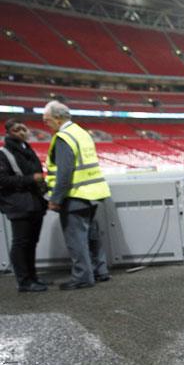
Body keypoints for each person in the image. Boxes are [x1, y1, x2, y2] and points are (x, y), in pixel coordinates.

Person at [42, 101, 112, 290]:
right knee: (91, 236)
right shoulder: (81, 133)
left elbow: (64, 173)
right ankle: (100, 271)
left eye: (47, 120)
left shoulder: (64, 137)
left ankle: (82, 277)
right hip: (91, 193)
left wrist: (55, 199)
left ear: (58, 119)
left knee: (76, 239)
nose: (45, 124)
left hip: (75, 194)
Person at [0, 119, 49, 292]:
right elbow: (2, 180)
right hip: (18, 205)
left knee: (31, 242)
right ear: (8, 132)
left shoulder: (27, 149)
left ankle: (33, 276)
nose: (21, 132)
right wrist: (31, 179)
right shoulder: (4, 153)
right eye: (16, 129)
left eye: (23, 128)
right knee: (21, 243)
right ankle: (24, 281)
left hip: (35, 203)